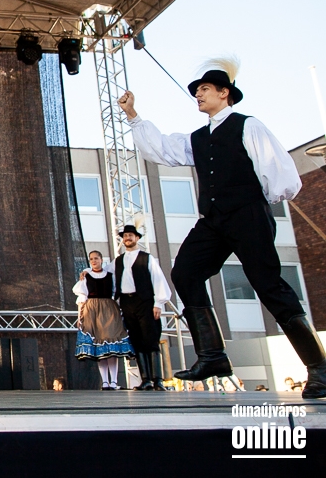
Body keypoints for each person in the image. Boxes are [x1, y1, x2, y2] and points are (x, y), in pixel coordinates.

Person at [119, 60, 326, 399]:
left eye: (204, 89)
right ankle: (213, 355)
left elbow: (277, 169)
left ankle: (319, 367)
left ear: (224, 93)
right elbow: (163, 150)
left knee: (268, 285)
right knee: (185, 273)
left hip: (248, 215)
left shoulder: (248, 125)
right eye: (197, 91)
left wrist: (259, 203)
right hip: (214, 220)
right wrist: (133, 115)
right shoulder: (199, 138)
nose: (198, 95)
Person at [111, 222, 172, 391]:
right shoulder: (118, 261)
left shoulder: (147, 258)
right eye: (125, 236)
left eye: (130, 235)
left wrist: (158, 303)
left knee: (151, 338)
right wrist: (87, 272)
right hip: (127, 303)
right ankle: (145, 379)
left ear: (137, 238)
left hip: (145, 301)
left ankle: (157, 379)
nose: (127, 238)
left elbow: (158, 279)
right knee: (137, 340)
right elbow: (104, 273)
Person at [73, 250, 134, 390]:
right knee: (100, 348)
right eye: (91, 259)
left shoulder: (110, 275)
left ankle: (114, 381)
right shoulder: (86, 277)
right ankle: (105, 381)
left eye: (96, 258)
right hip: (92, 310)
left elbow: (116, 292)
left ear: (101, 259)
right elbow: (82, 298)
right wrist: (79, 317)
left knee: (111, 344)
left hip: (109, 310)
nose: (93, 261)